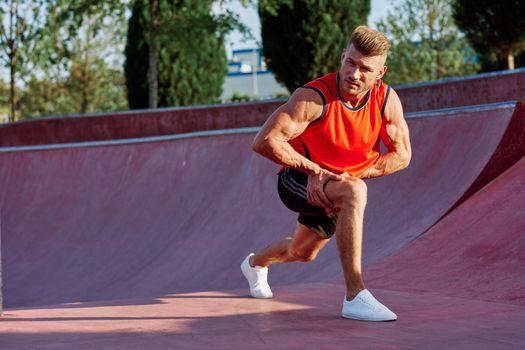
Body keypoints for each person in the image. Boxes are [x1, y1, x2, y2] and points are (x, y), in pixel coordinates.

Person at [241, 25, 412, 321]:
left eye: (365, 69)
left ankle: (255, 263)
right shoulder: (314, 97)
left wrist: (349, 174)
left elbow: (402, 155)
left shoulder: (386, 101)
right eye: (351, 63)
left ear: (380, 73)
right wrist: (315, 171)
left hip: (338, 184)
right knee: (355, 192)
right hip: (298, 179)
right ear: (343, 56)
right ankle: (355, 295)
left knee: (301, 252)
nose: (354, 74)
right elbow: (264, 141)